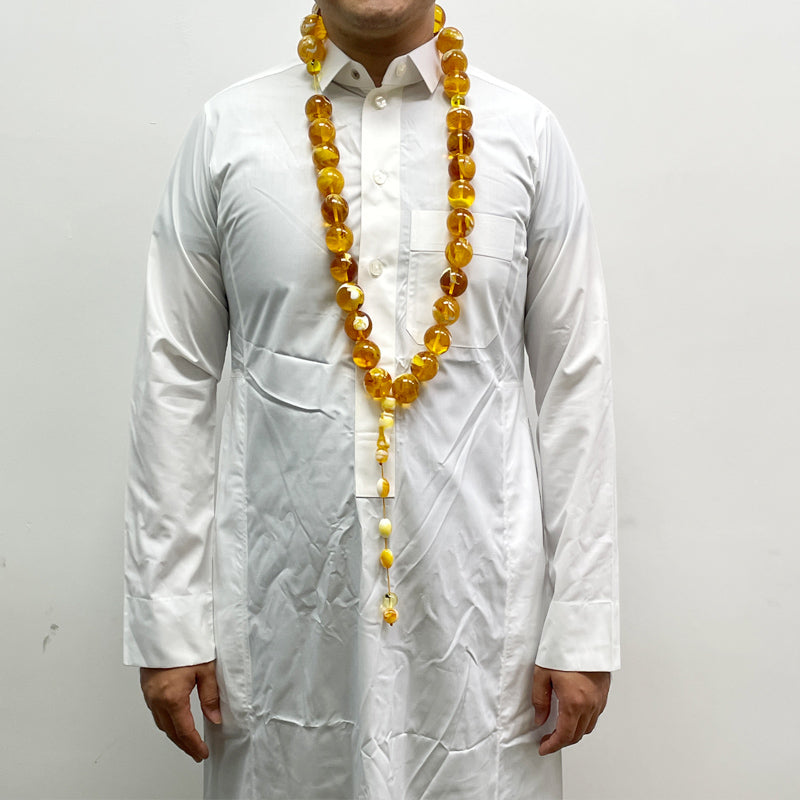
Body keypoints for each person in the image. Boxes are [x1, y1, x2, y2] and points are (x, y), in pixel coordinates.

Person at [124, 2, 620, 798]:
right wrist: (168, 620)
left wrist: (584, 624)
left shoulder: (525, 136)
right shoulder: (227, 133)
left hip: (481, 628)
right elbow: (174, 376)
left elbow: (574, 385)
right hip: (280, 627)